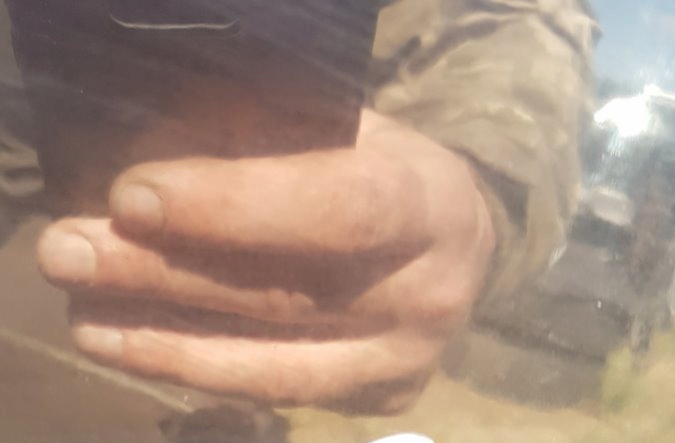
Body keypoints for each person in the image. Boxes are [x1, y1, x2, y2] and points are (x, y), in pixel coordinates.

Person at [6, 0, 598, 413]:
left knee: (160, 427)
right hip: (44, 159)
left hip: (95, 233)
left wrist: (479, 186)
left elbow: (519, 23)